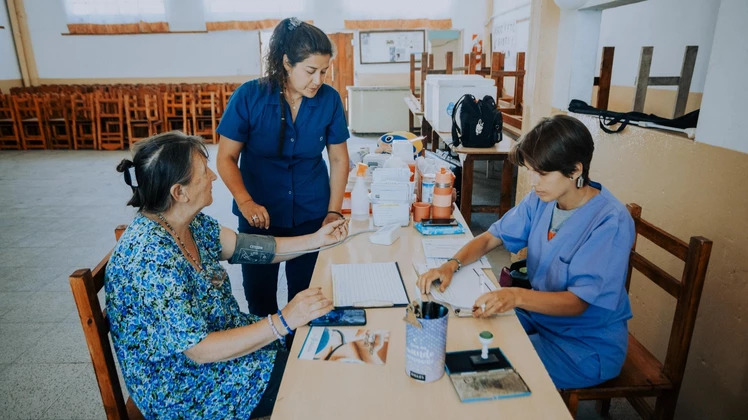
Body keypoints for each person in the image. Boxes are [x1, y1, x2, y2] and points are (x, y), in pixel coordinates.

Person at [106, 132, 348, 418]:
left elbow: (250, 248)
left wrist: (316, 240)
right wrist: (283, 320)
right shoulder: (150, 259)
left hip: (224, 353)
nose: (214, 177)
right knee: (323, 380)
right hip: (187, 388)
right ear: (179, 192)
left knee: (329, 345)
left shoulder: (186, 222)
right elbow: (199, 350)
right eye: (203, 172)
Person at [417, 115, 635, 389]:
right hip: (541, 319)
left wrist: (515, 296)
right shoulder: (543, 199)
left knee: (481, 372)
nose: (533, 182)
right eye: (531, 171)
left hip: (582, 345)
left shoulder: (609, 222)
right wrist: (451, 264)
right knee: (465, 333)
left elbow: (578, 303)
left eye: (542, 173)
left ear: (575, 170)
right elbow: (490, 238)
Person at [216, 17, 349, 317]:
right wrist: (245, 200)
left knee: (306, 297)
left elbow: (340, 159)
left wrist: (333, 211)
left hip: (310, 214)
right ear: (287, 63)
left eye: (324, 72)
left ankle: (298, 358)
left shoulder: (329, 100)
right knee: (259, 301)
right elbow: (225, 158)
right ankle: (271, 361)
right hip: (259, 217)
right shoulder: (249, 96)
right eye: (311, 71)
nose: (318, 80)